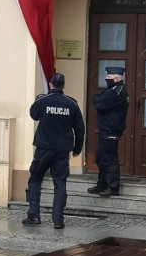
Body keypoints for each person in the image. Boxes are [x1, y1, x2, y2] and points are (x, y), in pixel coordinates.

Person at [23, 73, 85, 230]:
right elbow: (80, 129)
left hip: (43, 148)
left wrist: (38, 99)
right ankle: (58, 220)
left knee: (35, 179)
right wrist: (77, 149)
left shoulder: (43, 101)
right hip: (62, 151)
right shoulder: (72, 104)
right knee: (60, 182)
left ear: (50, 84)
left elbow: (33, 115)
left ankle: (34, 215)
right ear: (63, 86)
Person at [88, 66, 129, 197]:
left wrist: (98, 99)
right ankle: (102, 184)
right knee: (101, 157)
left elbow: (99, 104)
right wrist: (98, 98)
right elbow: (97, 99)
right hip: (106, 128)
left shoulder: (117, 91)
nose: (106, 79)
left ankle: (113, 187)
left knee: (109, 158)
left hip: (111, 129)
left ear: (116, 78)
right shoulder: (112, 90)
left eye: (109, 77)